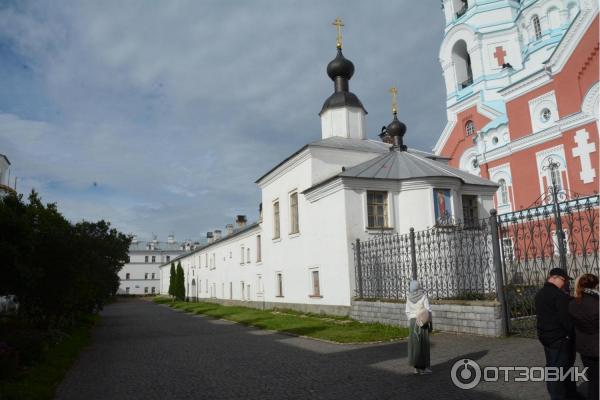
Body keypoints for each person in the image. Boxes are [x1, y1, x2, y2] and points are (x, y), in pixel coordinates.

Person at [535, 267, 580, 400]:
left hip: (545, 338)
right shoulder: (559, 296)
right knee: (561, 370)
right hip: (559, 339)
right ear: (554, 278)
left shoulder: (540, 294)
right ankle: (560, 396)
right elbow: (565, 320)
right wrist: (571, 335)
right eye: (564, 280)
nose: (565, 283)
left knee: (552, 368)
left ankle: (568, 394)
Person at [569, 274, 599, 400]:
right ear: (596, 285)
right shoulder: (596, 302)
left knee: (593, 379)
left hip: (584, 346)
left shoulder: (573, 303)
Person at [405, 280, 432, 375]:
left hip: (413, 322)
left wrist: (412, 320)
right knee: (423, 344)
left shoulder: (408, 297)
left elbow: (407, 311)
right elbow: (428, 310)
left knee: (415, 345)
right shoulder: (423, 296)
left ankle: (416, 368)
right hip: (422, 322)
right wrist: (429, 322)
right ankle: (424, 368)